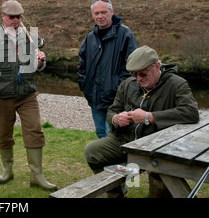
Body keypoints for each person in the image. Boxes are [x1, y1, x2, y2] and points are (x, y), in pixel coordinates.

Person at [84, 45, 200, 197]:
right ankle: (116, 194)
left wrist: (150, 117)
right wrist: (116, 119)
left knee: (160, 176)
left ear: (157, 66)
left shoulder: (177, 84)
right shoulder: (127, 84)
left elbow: (191, 113)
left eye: (143, 74)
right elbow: (112, 110)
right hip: (125, 141)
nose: (138, 78)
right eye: (135, 74)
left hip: (158, 146)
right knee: (93, 151)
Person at [0, 0, 57, 191]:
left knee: (35, 130)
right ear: (3, 17)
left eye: (19, 16)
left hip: (27, 95)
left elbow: (36, 67)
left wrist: (40, 62)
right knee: (3, 135)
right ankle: (7, 170)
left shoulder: (30, 37)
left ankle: (37, 176)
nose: (16, 20)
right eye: (12, 17)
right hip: (2, 96)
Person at [78, 0, 137, 138]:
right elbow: (82, 66)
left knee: (113, 135)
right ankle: (104, 160)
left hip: (116, 100)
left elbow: (132, 68)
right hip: (95, 98)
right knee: (100, 133)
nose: (100, 16)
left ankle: (116, 160)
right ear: (92, 15)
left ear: (112, 12)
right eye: (96, 13)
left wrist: (118, 89)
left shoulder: (125, 35)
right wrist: (85, 87)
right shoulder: (90, 38)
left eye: (103, 12)